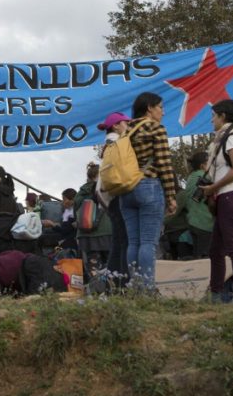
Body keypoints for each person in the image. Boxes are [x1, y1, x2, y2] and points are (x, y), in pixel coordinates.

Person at [119, 93, 177, 289]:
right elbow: (164, 163)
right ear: (150, 108)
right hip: (149, 186)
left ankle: (135, 287)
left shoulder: (126, 131)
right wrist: (171, 195)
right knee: (148, 243)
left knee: (133, 242)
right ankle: (147, 289)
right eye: (160, 107)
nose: (163, 111)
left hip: (126, 188)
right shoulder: (155, 128)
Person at [200, 100, 233, 302]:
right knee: (216, 249)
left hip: (232, 195)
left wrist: (213, 187)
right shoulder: (223, 138)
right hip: (224, 197)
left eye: (213, 116)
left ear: (222, 116)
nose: (211, 120)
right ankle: (216, 293)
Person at [97, 111, 130, 282]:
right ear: (116, 126)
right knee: (125, 241)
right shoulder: (118, 143)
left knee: (118, 241)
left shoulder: (108, 144)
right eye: (125, 123)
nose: (128, 126)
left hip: (111, 198)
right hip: (120, 195)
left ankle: (113, 280)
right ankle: (123, 280)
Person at [175, 151, 214, 258]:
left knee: (198, 255)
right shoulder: (208, 177)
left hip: (193, 223)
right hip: (206, 223)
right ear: (203, 165)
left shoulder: (190, 178)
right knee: (206, 258)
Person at [75, 163, 113, 270]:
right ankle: (110, 285)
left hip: (86, 235)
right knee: (110, 265)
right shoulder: (106, 188)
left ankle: (96, 285)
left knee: (93, 266)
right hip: (107, 233)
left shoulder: (80, 193)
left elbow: (76, 213)